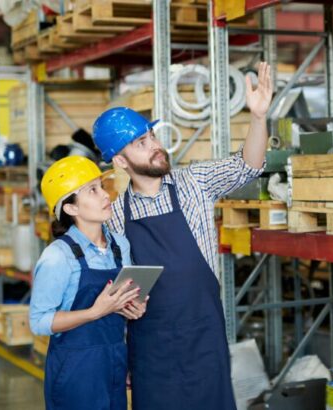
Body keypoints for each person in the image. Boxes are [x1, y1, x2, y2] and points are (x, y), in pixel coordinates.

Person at [92, 62, 273, 410]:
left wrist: (258, 118)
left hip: (204, 338)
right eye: (142, 143)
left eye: (153, 137)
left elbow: (247, 166)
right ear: (119, 161)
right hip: (150, 351)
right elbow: (109, 291)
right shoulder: (114, 217)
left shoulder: (195, 183)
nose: (155, 146)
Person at [29, 155, 148, 410]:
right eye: (92, 191)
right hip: (76, 369)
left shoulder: (120, 245)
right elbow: (39, 322)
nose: (105, 195)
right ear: (70, 208)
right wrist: (95, 312)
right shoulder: (57, 256)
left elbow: (120, 306)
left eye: (101, 187)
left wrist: (132, 307)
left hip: (115, 360)